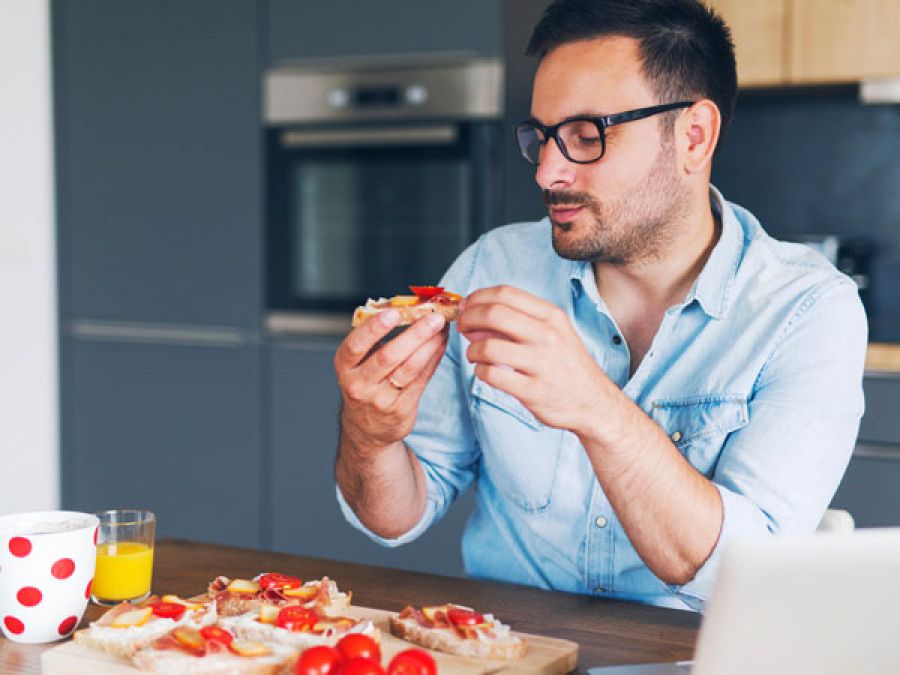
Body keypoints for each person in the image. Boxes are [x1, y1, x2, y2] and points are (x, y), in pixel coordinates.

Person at [332, 0, 867, 611]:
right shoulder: (493, 268)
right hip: (506, 649)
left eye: (587, 137)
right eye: (542, 138)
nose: (548, 173)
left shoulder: (807, 311)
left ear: (694, 136)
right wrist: (371, 435)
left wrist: (594, 407)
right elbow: (395, 518)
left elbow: (743, 575)